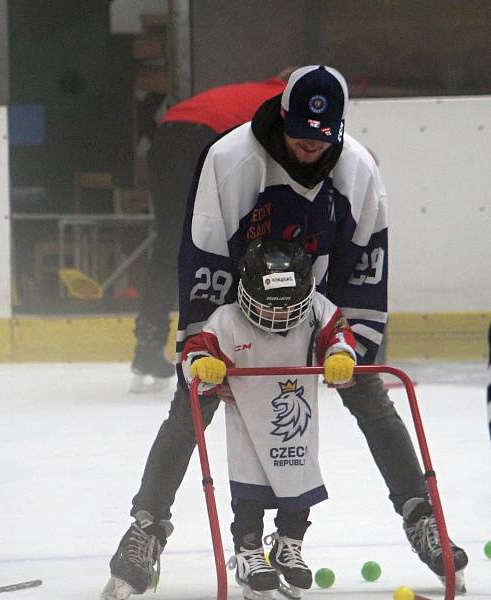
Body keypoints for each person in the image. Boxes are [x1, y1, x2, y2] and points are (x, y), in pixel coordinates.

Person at [103, 65, 468, 599]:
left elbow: (366, 266)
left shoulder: (360, 171)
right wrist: (202, 347)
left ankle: (421, 516)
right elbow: (201, 255)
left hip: (314, 310)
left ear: (338, 130)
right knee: (191, 407)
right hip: (235, 305)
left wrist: (351, 349)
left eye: (320, 138)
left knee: (372, 397)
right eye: (298, 132)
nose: (307, 145)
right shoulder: (230, 160)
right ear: (281, 114)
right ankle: (146, 528)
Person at [178, 239, 357, 599]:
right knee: (249, 486)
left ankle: (289, 544)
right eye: (268, 307)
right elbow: (195, 350)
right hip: (248, 418)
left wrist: (340, 354)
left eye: (287, 307)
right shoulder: (227, 321)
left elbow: (339, 333)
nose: (277, 316)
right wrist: (202, 365)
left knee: (298, 477)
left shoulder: (318, 310)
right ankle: (248, 552)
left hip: (297, 422)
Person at [130, 69, 293, 393]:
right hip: (205, 140)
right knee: (235, 243)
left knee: (170, 244)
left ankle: (146, 349)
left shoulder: (251, 88)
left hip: (166, 135)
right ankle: (234, 345)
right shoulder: (285, 102)